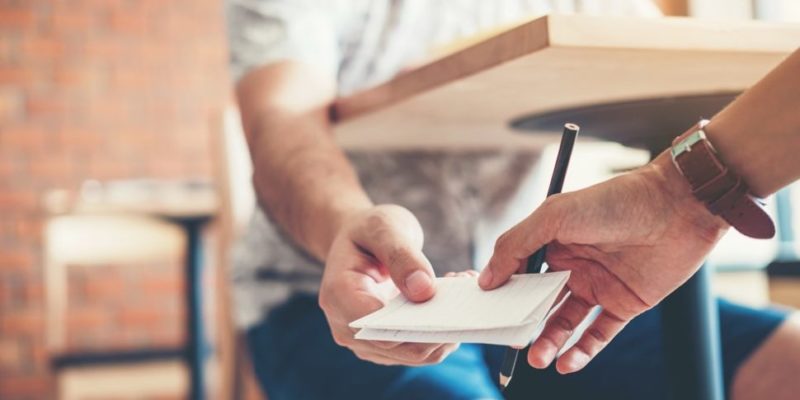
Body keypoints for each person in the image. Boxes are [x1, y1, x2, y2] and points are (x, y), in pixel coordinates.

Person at [225, 1, 800, 398]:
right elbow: (281, 118)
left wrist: (683, 192)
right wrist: (345, 223)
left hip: (548, 293)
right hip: (341, 299)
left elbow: (661, 52)